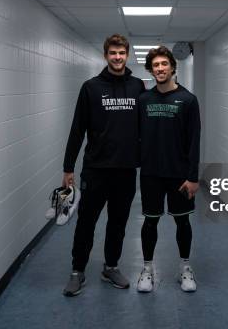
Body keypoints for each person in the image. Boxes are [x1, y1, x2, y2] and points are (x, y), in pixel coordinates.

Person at [61, 34, 145, 297]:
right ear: (105, 55)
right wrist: (68, 167)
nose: (117, 57)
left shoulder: (137, 87)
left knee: (118, 223)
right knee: (87, 221)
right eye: (113, 53)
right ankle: (77, 271)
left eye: (121, 53)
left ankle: (111, 267)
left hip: (125, 170)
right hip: (96, 169)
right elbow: (77, 129)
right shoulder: (91, 87)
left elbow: (146, 128)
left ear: (127, 55)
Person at [136, 46, 201, 293]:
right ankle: (147, 269)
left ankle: (185, 268)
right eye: (155, 65)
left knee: (182, 223)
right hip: (151, 174)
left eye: (164, 64)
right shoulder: (144, 100)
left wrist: (193, 177)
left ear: (173, 67)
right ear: (151, 70)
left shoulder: (188, 100)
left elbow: (194, 141)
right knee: (149, 223)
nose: (160, 69)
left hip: (180, 176)